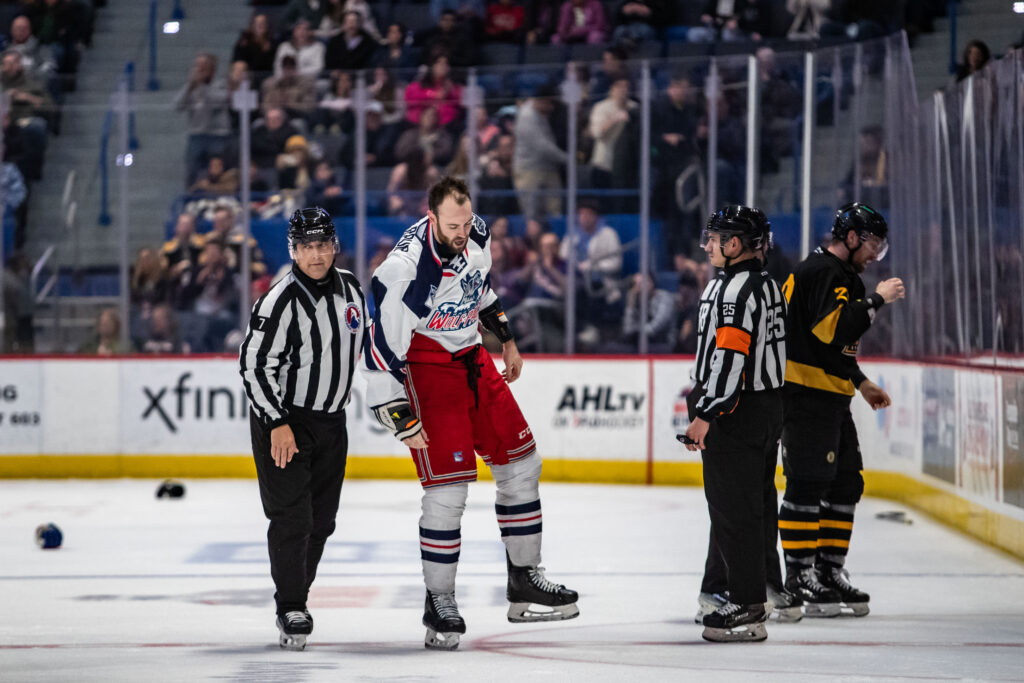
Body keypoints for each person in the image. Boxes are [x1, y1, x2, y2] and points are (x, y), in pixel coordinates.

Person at [362, 177, 578, 651]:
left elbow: (479, 288)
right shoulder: (406, 270)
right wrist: (399, 415)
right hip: (429, 370)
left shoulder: (476, 232)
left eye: (466, 220)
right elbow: (379, 348)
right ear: (431, 216)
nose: (462, 231)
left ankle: (524, 579)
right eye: (452, 224)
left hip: (475, 361)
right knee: (448, 491)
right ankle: (438, 602)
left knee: (523, 464)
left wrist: (508, 339)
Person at [239, 207, 367, 651]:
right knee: (292, 518)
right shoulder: (278, 301)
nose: (316, 255)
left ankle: (297, 595)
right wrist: (277, 422)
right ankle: (291, 605)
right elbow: (254, 365)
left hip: (333, 423)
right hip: (287, 422)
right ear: (293, 250)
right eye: (306, 247)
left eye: (323, 245)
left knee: (323, 522)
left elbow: (366, 349)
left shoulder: (352, 289)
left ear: (335, 245)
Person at [776, 202, 905, 617]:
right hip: (805, 396)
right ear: (850, 237)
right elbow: (832, 330)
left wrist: (859, 380)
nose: (875, 254)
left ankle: (829, 570)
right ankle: (799, 576)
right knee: (808, 484)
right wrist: (876, 302)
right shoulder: (825, 273)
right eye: (872, 245)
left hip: (828, 395)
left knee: (846, 482)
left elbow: (828, 346)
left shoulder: (830, 272)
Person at [681, 205, 787, 643]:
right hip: (766, 408)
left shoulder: (732, 292)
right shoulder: (767, 285)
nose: (707, 246)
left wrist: (706, 413)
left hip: (734, 410)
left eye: (715, 238)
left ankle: (746, 606)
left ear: (736, 244)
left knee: (734, 510)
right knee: (749, 505)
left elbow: (729, 357)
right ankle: (731, 588)